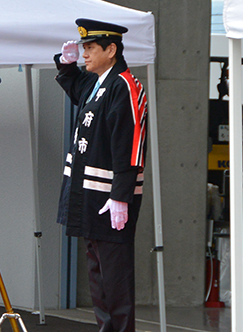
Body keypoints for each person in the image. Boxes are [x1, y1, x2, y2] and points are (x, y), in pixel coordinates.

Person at [54, 18, 147, 332]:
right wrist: (66, 66)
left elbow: (131, 145)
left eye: (90, 48)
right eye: (82, 48)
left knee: (115, 278)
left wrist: (121, 196)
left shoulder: (125, 85)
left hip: (110, 198)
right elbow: (78, 89)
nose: (84, 54)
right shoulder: (98, 82)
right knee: (97, 274)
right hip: (89, 194)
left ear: (111, 49)